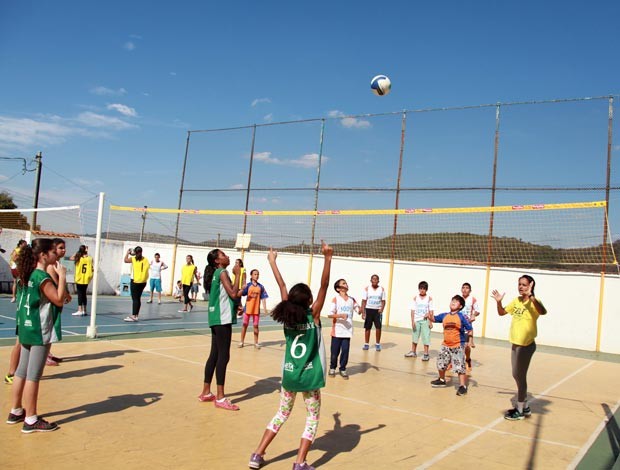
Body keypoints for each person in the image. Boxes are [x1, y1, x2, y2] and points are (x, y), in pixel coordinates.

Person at [248, 242, 332, 470]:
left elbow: (282, 284)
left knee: (281, 414)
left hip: (289, 377)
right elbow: (325, 284)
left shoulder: (287, 316)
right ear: (308, 301)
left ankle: (257, 455)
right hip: (309, 378)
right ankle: (299, 462)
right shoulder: (312, 316)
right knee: (312, 418)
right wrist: (327, 257)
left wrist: (272, 262)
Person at [6, 238, 67, 433]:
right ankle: (31, 419)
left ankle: (16, 411)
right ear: (43, 255)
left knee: (21, 372)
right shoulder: (41, 277)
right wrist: (63, 277)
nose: (55, 254)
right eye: (52, 251)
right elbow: (58, 300)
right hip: (39, 330)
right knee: (33, 375)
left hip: (25, 327)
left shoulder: (26, 274)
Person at [491, 275, 547, 420]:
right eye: (519, 284)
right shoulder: (516, 300)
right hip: (515, 344)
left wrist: (532, 297)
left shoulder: (534, 302)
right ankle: (525, 407)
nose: (521, 287)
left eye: (524, 284)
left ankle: (520, 409)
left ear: (531, 285)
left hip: (526, 345)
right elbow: (502, 312)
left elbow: (542, 312)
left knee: (520, 376)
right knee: (516, 375)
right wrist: (499, 302)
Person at [198, 249, 242, 410]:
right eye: (223, 255)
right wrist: (238, 274)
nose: (227, 256)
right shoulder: (223, 272)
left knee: (214, 355)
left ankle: (206, 392)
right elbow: (233, 293)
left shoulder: (217, 272)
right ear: (217, 260)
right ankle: (221, 397)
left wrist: (237, 304)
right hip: (222, 319)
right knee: (224, 356)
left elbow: (228, 295)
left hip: (216, 317)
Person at [427, 295, 473, 396]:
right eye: (452, 300)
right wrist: (430, 316)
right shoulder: (445, 315)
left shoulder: (461, 316)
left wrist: (469, 340)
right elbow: (434, 319)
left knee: (459, 366)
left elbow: (469, 328)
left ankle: (462, 386)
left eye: (456, 301)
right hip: (446, 345)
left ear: (460, 306)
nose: (453, 302)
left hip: (457, 345)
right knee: (441, 363)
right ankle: (442, 379)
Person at [45, 238, 72, 366]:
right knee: (49, 328)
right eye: (61, 248)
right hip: (51, 301)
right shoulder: (51, 266)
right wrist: (66, 295)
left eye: (64, 248)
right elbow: (56, 283)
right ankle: (44, 355)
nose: (63, 250)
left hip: (57, 300)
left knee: (52, 328)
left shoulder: (58, 264)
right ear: (53, 249)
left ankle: (47, 353)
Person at [327, 278, 359, 380]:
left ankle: (343, 368)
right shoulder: (335, 299)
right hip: (337, 330)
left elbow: (358, 310)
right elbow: (330, 314)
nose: (346, 284)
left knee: (345, 350)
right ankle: (332, 367)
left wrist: (362, 311)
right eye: (343, 283)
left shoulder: (352, 300)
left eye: (346, 283)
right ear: (338, 288)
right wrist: (340, 315)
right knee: (334, 352)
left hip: (347, 330)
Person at [239, 269, 269, 349]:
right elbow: (242, 294)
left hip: (256, 310)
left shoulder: (261, 287)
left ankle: (256, 342)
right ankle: (241, 341)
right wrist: (242, 288)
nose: (256, 276)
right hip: (247, 309)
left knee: (256, 326)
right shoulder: (248, 285)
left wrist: (265, 309)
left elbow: (263, 298)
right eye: (255, 274)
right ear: (251, 276)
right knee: (244, 325)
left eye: (257, 274)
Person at [405, 281, 434, 361]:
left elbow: (431, 310)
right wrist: (412, 321)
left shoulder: (429, 298)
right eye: (421, 288)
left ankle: (426, 354)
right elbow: (412, 310)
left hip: (425, 321)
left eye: (424, 289)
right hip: (416, 320)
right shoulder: (415, 298)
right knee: (415, 336)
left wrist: (431, 321)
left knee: (426, 337)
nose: (422, 290)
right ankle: (413, 352)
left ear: (426, 289)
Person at [360, 274, 386, 351]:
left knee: (378, 327)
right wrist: (363, 312)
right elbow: (364, 301)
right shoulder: (367, 289)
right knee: (367, 327)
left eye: (376, 279)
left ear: (378, 281)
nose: (374, 280)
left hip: (377, 311)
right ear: (371, 280)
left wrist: (381, 309)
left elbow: (383, 301)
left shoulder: (382, 289)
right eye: (373, 279)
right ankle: (366, 344)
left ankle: (377, 344)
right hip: (368, 309)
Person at [123, 246, 149, 322]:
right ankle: (136, 315)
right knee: (138, 298)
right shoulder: (145, 260)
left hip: (135, 281)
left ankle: (134, 316)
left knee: (135, 299)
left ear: (135, 252)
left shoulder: (134, 259)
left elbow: (125, 260)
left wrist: (128, 253)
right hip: (143, 282)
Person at [461, 282, 480, 371]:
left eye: (467, 288)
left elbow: (477, 311)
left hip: (467, 326)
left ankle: (468, 359)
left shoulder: (472, 299)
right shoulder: (458, 299)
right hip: (458, 325)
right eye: (463, 287)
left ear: (470, 290)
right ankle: (452, 363)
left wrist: (473, 315)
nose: (465, 289)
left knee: (466, 346)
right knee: (454, 346)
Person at [70, 245, 93, 316]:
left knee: (80, 294)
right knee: (84, 294)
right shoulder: (90, 258)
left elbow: (71, 258)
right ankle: (85, 310)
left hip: (80, 278)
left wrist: (78, 251)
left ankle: (80, 310)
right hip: (86, 278)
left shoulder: (78, 258)